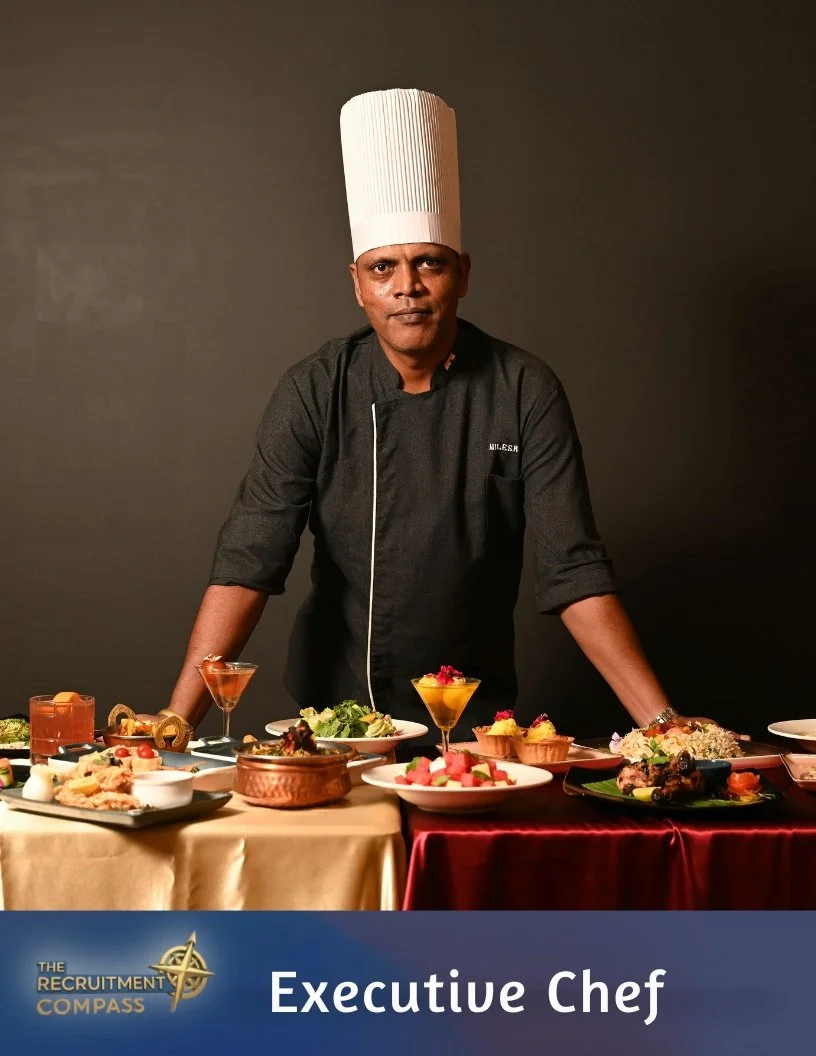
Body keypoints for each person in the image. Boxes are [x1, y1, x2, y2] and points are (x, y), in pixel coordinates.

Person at [150, 88, 683, 737]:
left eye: (428, 262)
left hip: (477, 719)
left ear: (461, 273)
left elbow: (574, 572)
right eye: (384, 268)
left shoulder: (524, 390)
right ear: (358, 283)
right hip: (335, 719)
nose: (407, 286)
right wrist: (176, 720)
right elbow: (247, 565)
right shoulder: (316, 389)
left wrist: (662, 724)